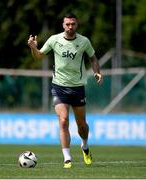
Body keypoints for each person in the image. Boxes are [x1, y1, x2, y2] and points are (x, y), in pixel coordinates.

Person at [28, 13, 103, 169]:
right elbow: (39, 57)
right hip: (59, 86)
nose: (70, 27)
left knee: (81, 124)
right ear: (63, 25)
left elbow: (93, 58)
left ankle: (85, 146)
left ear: (77, 25)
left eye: (73, 24)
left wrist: (97, 72)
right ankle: (67, 159)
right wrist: (33, 48)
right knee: (63, 121)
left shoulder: (84, 41)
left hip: (77, 87)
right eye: (67, 24)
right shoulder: (54, 40)